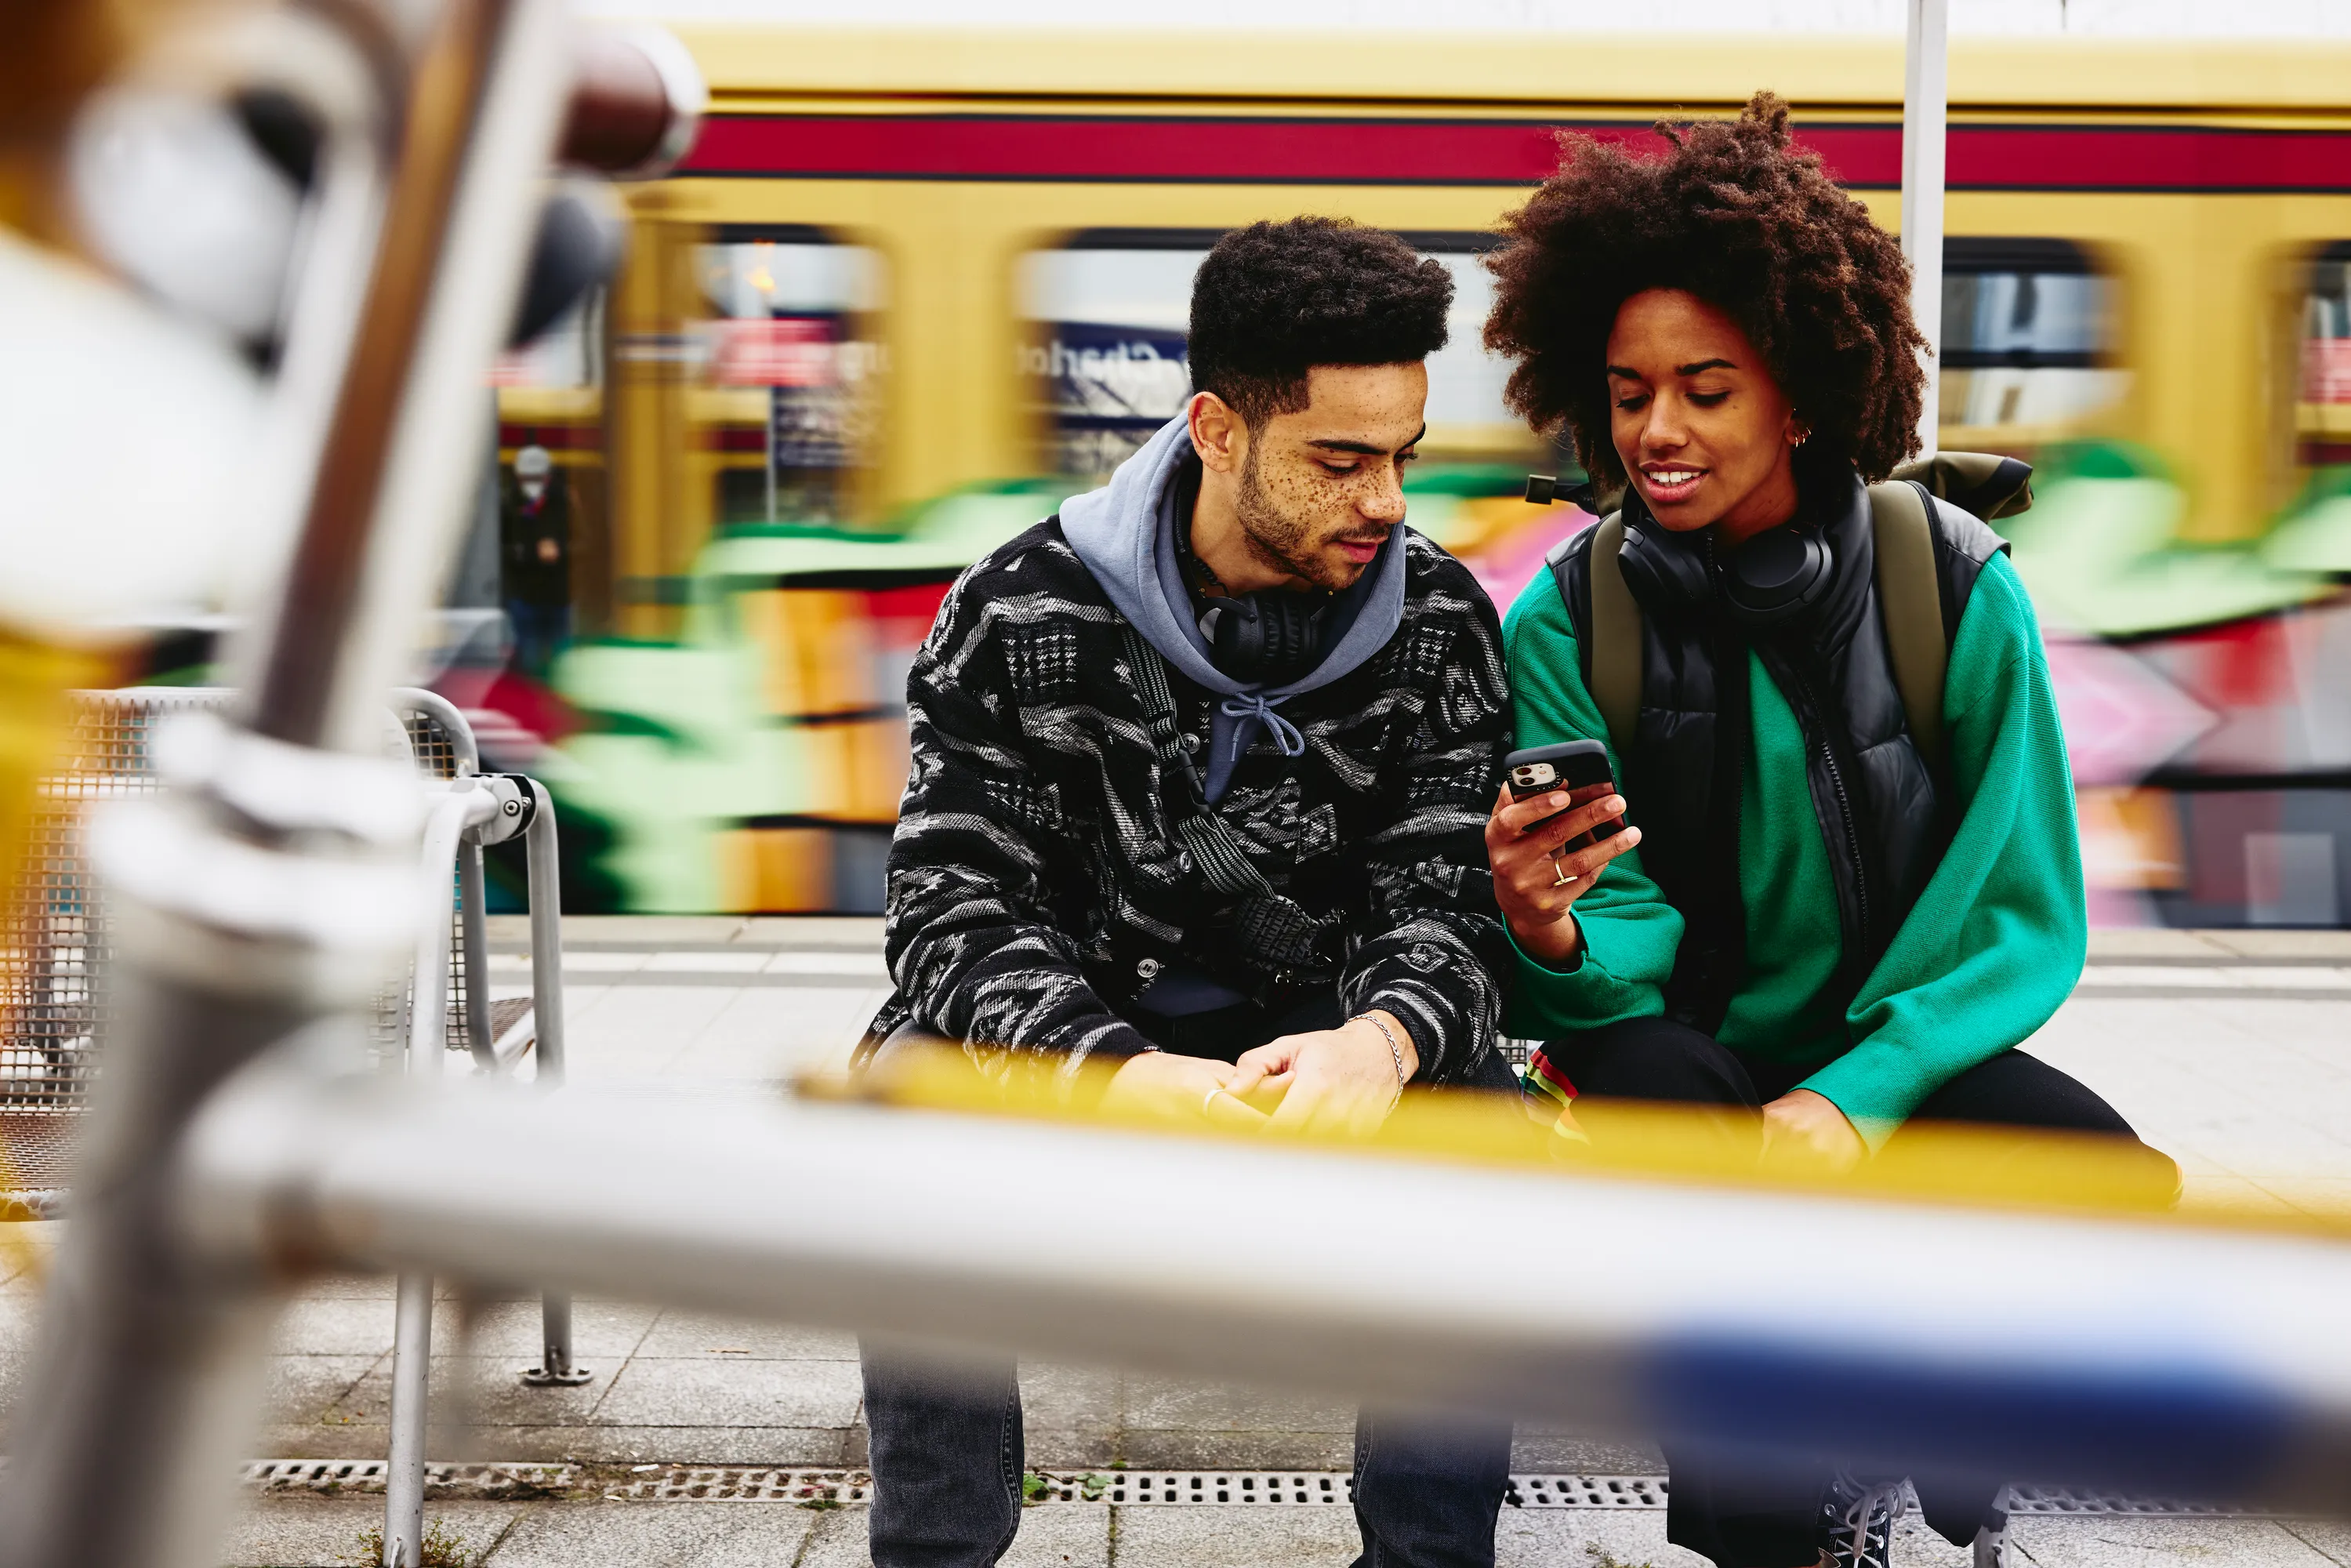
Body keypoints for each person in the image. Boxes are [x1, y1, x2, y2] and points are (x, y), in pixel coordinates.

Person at [1476, 96, 2178, 1568]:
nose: (1652, 432)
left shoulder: (1950, 590)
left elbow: (2014, 910)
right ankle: (1772, 1536)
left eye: (1703, 388)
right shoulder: (1571, 618)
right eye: (1623, 392)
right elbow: (1616, 938)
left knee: (2108, 1188)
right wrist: (1544, 932)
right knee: (1669, 1099)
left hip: (1884, 1044)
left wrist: (1857, 1099)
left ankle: (1921, 1454)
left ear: (1794, 389)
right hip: (1688, 1044)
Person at [855, 216, 1518, 1568]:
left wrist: (1378, 1042)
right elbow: (946, 905)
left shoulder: (1441, 626)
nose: (1384, 500)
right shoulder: (1020, 607)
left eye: (1401, 456)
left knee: (1484, 1136)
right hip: (1088, 1051)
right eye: (1338, 461)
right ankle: (934, 1551)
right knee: (898, 1102)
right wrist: (1109, 1067)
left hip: (1321, 1053)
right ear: (1214, 429)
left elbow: (1447, 905)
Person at [499, 443, 572, 677]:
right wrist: (527, 552)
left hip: (558, 595)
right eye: (526, 477)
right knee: (528, 661)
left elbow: (585, 542)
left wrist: (560, 550)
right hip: (525, 596)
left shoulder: (563, 503)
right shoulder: (510, 504)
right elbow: (500, 547)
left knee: (561, 661)